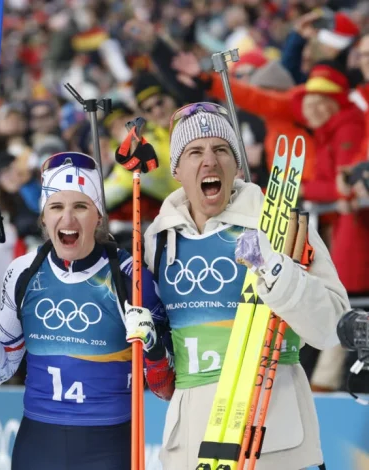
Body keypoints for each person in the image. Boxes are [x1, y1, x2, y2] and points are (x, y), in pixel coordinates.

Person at [143, 102, 349, 469]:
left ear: (237, 165)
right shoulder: (157, 240)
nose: (209, 160)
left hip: (274, 440)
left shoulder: (277, 224)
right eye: (195, 152)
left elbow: (333, 327)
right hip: (189, 445)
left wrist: (274, 269)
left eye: (221, 149)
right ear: (177, 170)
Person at [0, 151, 174, 469]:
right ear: (44, 218)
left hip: (109, 446)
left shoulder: (129, 277)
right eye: (57, 207)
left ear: (98, 217)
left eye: (80, 206)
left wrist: (154, 347)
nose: (68, 219)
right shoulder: (24, 271)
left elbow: (165, 386)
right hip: (38, 443)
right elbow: (3, 366)